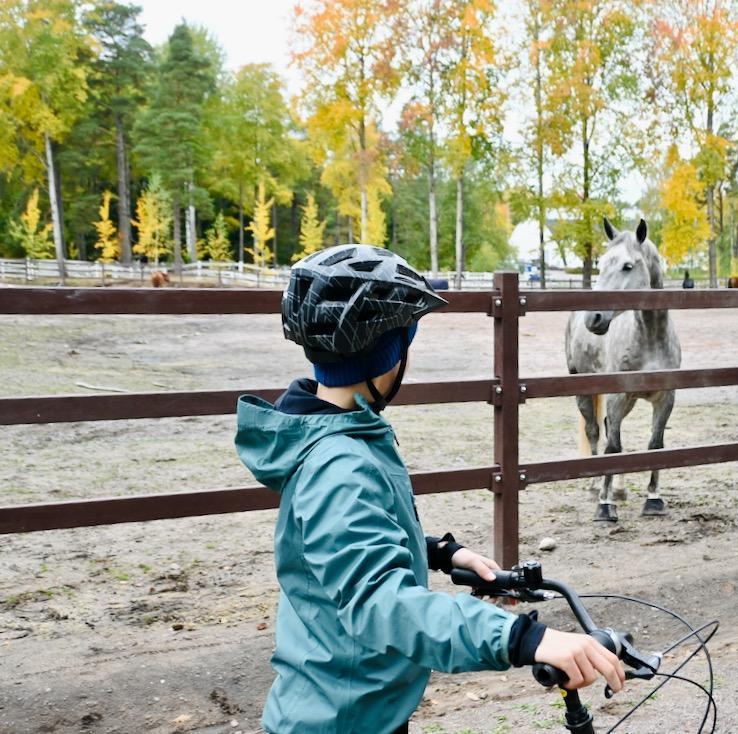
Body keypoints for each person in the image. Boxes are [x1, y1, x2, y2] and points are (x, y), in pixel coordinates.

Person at [235, 244, 624, 734]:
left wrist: (442, 554)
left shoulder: (336, 431)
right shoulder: (339, 464)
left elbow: (341, 545)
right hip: (340, 719)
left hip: (347, 703)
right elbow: (380, 601)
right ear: (390, 353)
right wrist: (523, 638)